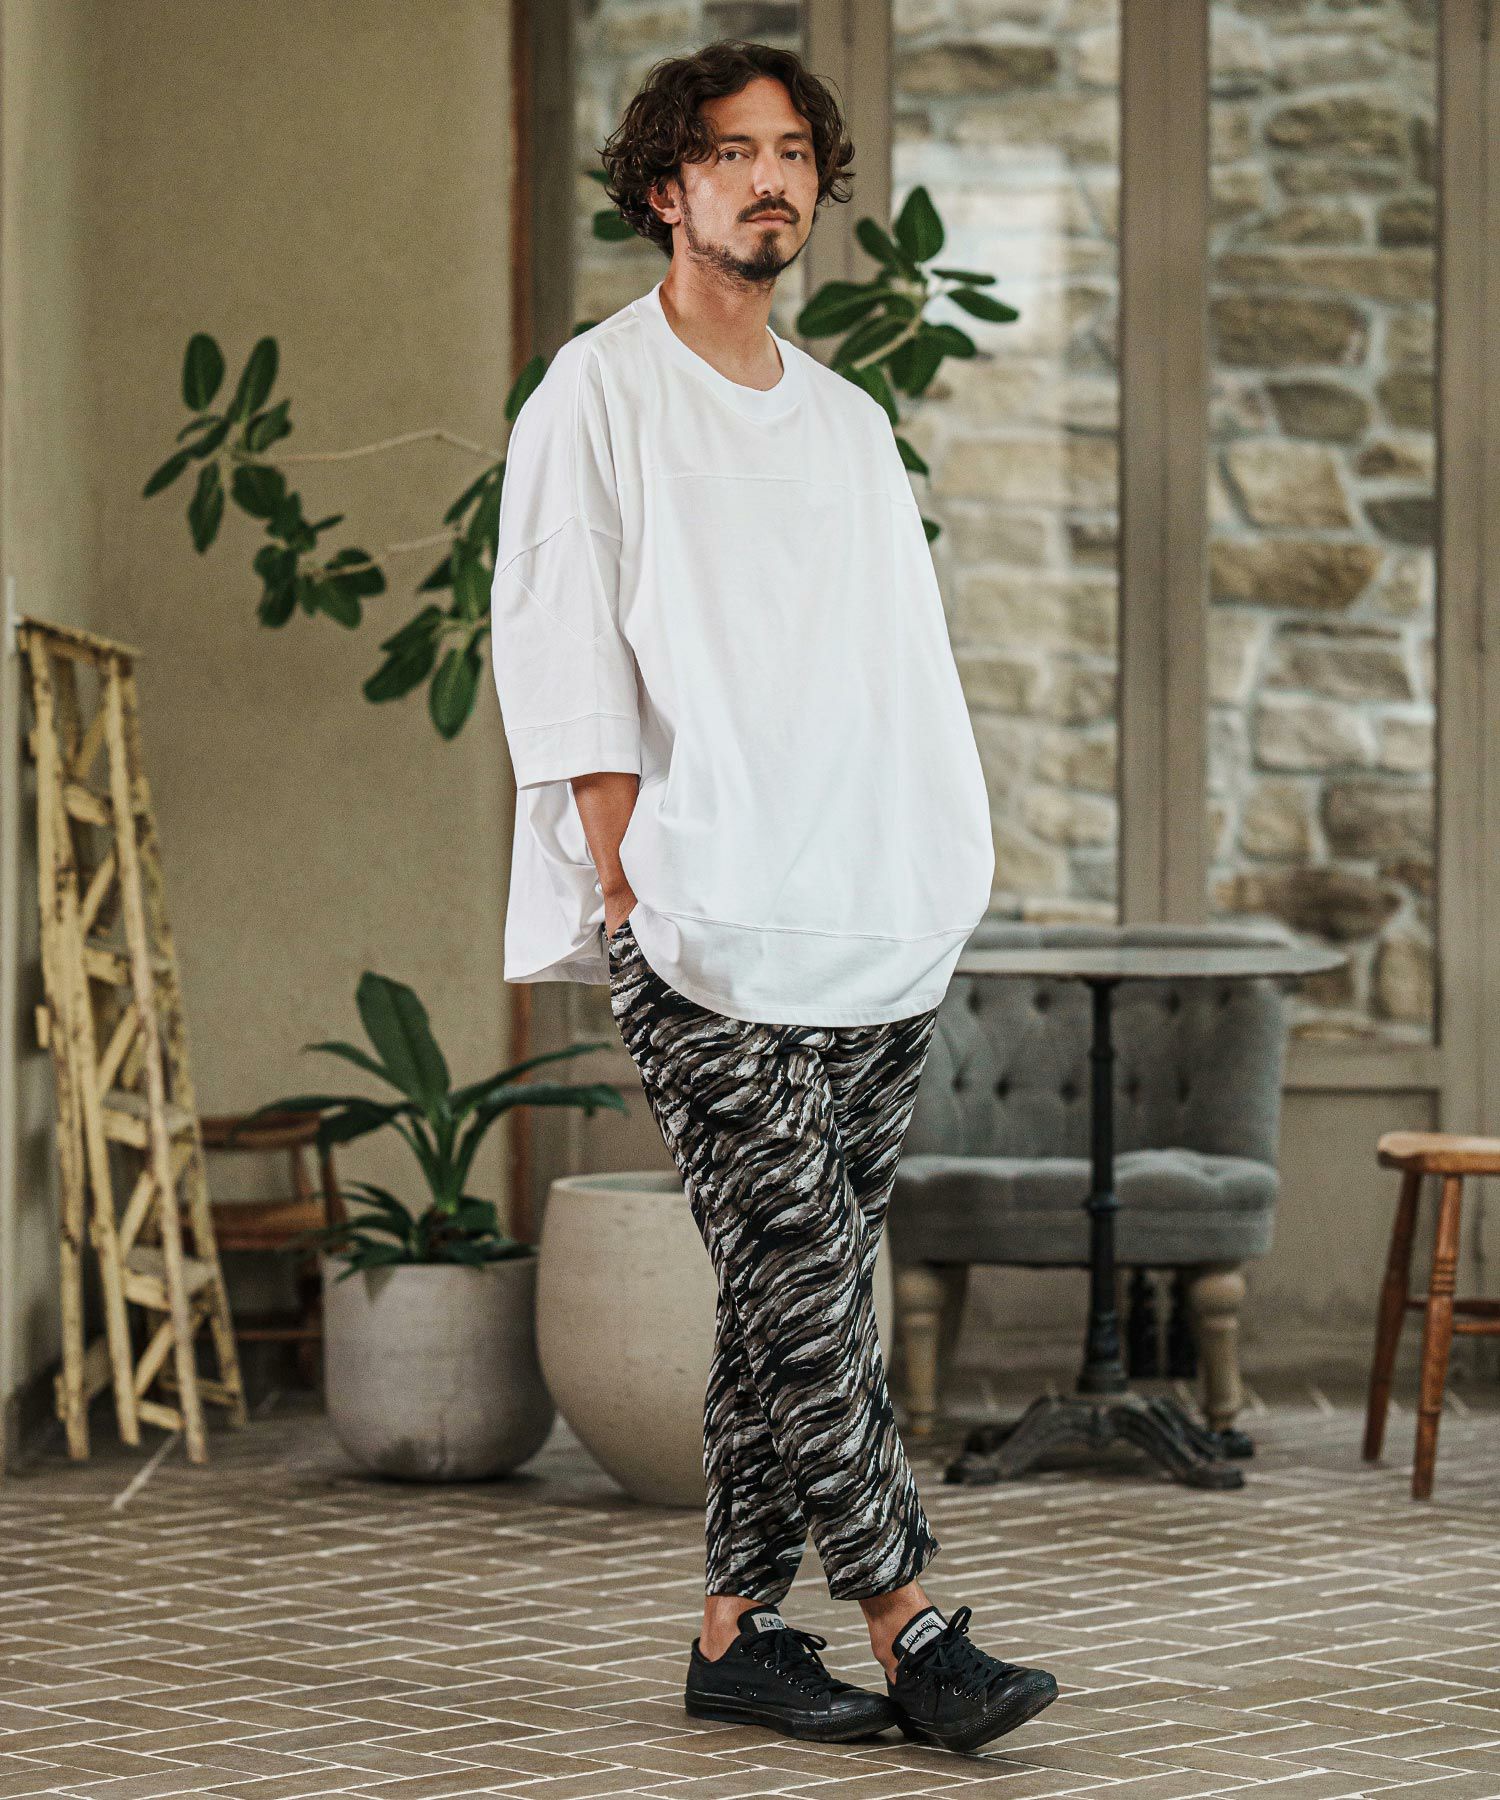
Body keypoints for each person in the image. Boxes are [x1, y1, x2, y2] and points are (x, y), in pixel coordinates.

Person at [489, 37, 1058, 1757]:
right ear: (667, 184)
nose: (771, 180)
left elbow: (899, 670)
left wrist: (935, 867)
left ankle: (737, 1634)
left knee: (781, 1288)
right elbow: (561, 640)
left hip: (867, 916)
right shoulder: (596, 393)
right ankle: (912, 1623)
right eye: (734, 152)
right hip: (693, 916)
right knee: (808, 1269)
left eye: (795, 153)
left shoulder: (847, 423)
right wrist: (625, 868)